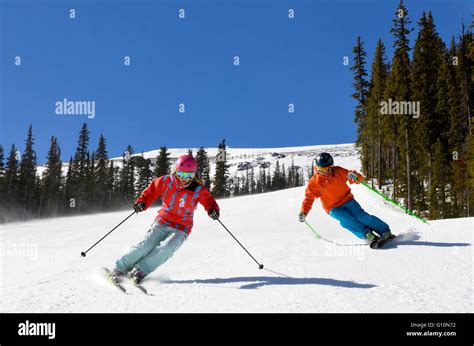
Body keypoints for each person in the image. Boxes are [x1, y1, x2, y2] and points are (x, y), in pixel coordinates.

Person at [110, 155, 220, 284]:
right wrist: (142, 203)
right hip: (163, 221)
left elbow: (209, 201)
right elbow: (150, 192)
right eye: (181, 174)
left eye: (189, 176)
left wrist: (213, 210)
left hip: (182, 227)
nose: (184, 179)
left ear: (194, 175)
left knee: (167, 249)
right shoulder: (165, 181)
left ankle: (141, 270)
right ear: (175, 171)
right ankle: (120, 269)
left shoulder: (197, 189)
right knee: (146, 246)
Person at [298, 152, 394, 243]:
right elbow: (308, 198)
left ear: (332, 166)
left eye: (328, 168)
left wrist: (355, 176)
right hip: (332, 207)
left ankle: (385, 231)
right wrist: (304, 212)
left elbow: (359, 179)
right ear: (318, 168)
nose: (326, 172)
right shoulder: (314, 182)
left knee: (362, 217)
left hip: (348, 200)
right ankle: (367, 234)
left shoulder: (338, 171)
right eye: (322, 170)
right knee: (347, 220)